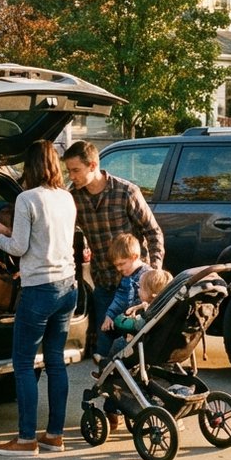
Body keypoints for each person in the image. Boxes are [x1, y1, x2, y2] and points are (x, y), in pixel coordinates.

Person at [0, 139, 78, 457]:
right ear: (54, 163)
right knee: (55, 362)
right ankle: (54, 435)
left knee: (24, 363)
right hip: (68, 286)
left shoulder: (27, 199)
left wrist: (0, 235)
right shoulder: (67, 198)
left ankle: (26, 439)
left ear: (30, 166)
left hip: (39, 288)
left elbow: (19, 247)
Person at [62, 140, 165, 354]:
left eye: (75, 170)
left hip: (136, 286)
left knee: (138, 349)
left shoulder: (126, 192)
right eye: (68, 171)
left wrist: (153, 274)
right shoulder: (73, 198)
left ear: (92, 166)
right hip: (105, 285)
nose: (71, 176)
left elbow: (153, 232)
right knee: (105, 349)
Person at [96, 233, 150, 359]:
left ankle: (109, 364)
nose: (119, 268)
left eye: (122, 264)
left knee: (118, 343)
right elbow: (120, 298)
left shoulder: (148, 276)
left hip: (143, 320)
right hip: (132, 320)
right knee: (109, 330)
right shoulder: (127, 277)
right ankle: (105, 359)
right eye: (116, 265)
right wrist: (109, 314)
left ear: (134, 257)